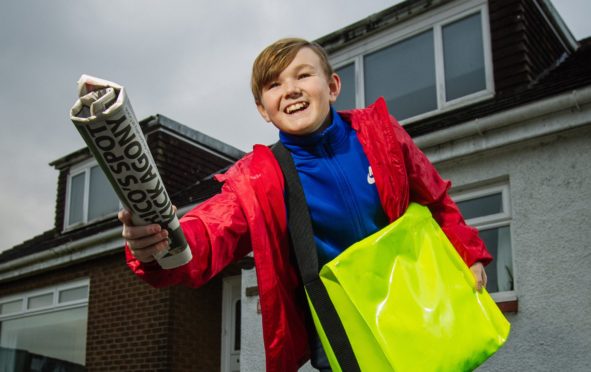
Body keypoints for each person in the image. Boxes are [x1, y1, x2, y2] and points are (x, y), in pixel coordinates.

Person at [119, 38, 492, 372]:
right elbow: (210, 230)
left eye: (303, 75)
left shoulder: (380, 132)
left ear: (332, 87)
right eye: (274, 84)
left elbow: (435, 196)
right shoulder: (258, 178)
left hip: (418, 306)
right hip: (343, 334)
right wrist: (161, 241)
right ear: (263, 109)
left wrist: (469, 252)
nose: (291, 90)